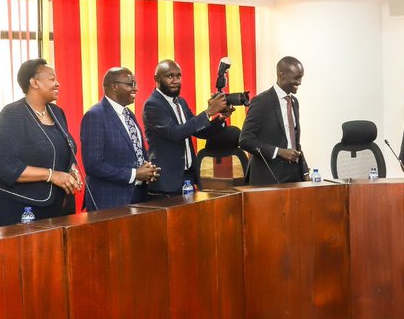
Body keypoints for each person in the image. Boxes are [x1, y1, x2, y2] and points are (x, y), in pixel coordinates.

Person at [0, 59, 82, 226]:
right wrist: (51, 175)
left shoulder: (57, 112)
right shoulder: (12, 114)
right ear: (34, 82)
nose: (58, 83)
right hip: (18, 208)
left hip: (55, 205)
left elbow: (63, 150)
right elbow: (3, 165)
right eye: (52, 79)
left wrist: (70, 170)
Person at [143, 59, 230, 196]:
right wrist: (208, 112)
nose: (176, 80)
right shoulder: (152, 105)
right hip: (167, 181)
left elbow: (198, 131)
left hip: (187, 176)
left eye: (178, 76)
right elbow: (175, 133)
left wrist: (220, 118)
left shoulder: (181, 102)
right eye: (170, 76)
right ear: (156, 78)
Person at [79, 67, 161, 210]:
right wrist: (135, 174)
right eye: (130, 84)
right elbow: (93, 165)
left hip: (139, 195)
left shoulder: (128, 113)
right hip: (110, 201)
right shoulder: (95, 116)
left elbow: (135, 151)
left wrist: (147, 170)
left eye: (135, 84)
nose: (136, 88)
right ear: (114, 86)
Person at [239, 56, 308, 185]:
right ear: (281, 75)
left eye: (301, 77)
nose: (300, 82)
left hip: (294, 175)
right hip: (268, 175)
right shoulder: (261, 102)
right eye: (296, 77)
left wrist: (304, 171)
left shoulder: (294, 102)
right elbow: (245, 140)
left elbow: (294, 142)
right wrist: (279, 152)